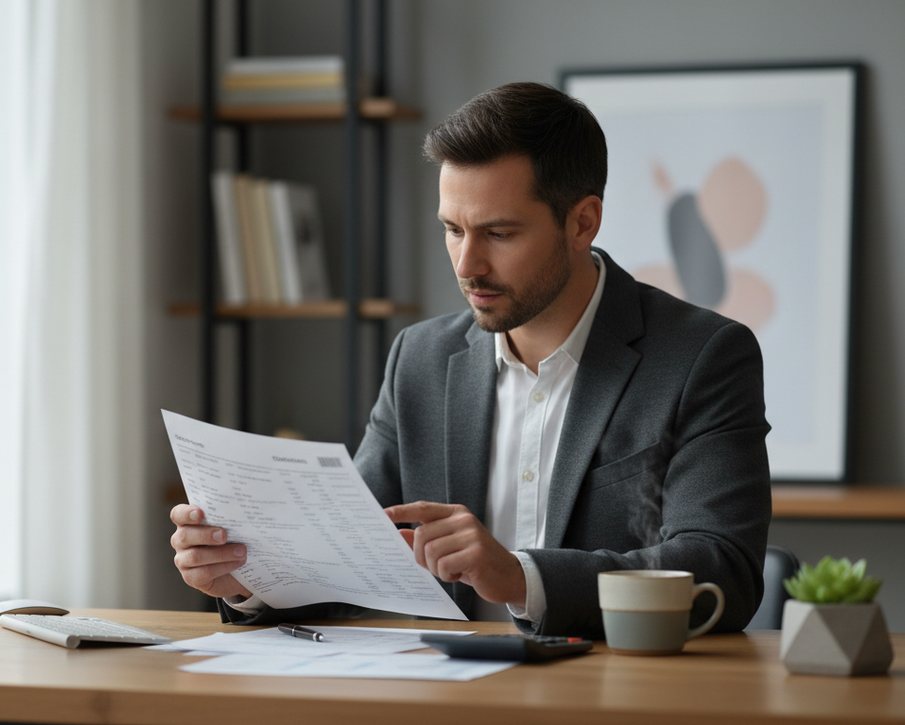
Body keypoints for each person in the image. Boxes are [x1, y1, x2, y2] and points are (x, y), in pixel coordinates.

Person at [170, 82, 771, 638]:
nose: (466, 265)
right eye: (453, 230)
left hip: (609, 691)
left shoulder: (702, 357)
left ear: (582, 222)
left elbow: (721, 568)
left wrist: (521, 577)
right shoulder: (420, 358)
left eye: (499, 234)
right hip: (447, 692)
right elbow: (351, 557)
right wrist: (247, 578)